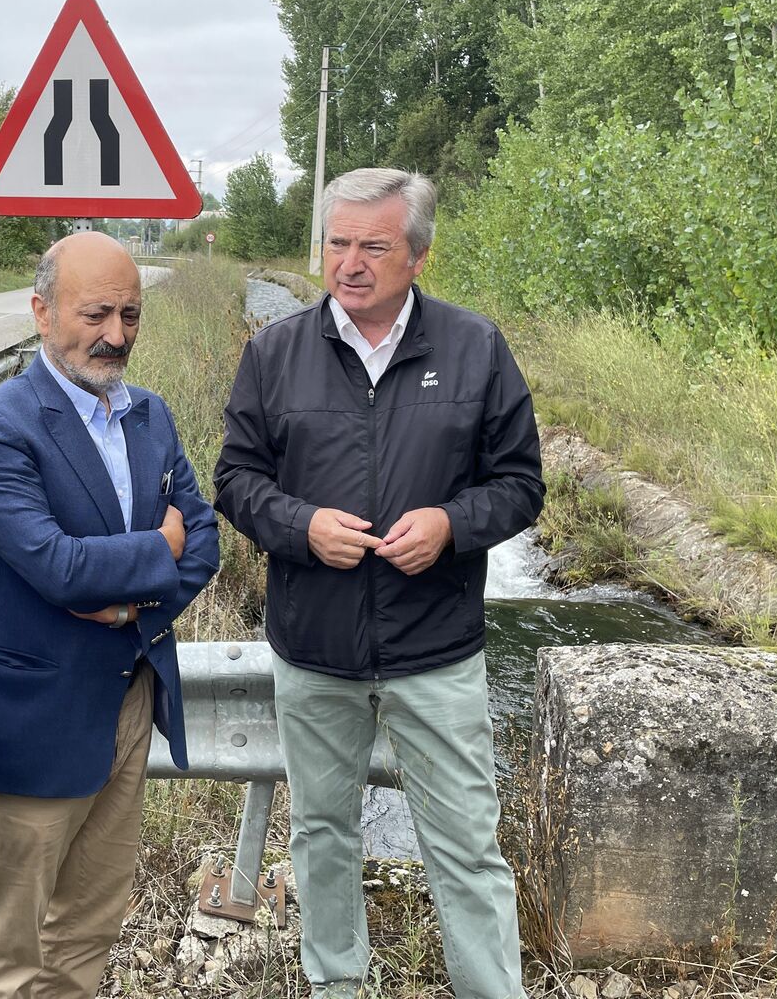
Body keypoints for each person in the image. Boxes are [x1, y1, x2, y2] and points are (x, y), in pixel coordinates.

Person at [214, 167, 544, 999]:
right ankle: (335, 985)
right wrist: (300, 527)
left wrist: (450, 526)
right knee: (323, 833)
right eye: (337, 242)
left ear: (418, 257)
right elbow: (236, 479)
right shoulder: (274, 352)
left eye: (373, 245)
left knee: (467, 843)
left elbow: (520, 483)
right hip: (314, 651)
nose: (349, 262)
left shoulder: (476, 349)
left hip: (435, 653)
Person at [0, 232, 220, 999]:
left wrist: (136, 592)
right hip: (40, 712)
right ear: (41, 312)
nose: (116, 335)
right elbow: (56, 566)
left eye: (131, 314)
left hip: (128, 694)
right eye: (96, 313)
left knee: (91, 922)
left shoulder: (151, 415)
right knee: (14, 942)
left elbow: (201, 540)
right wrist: (155, 551)